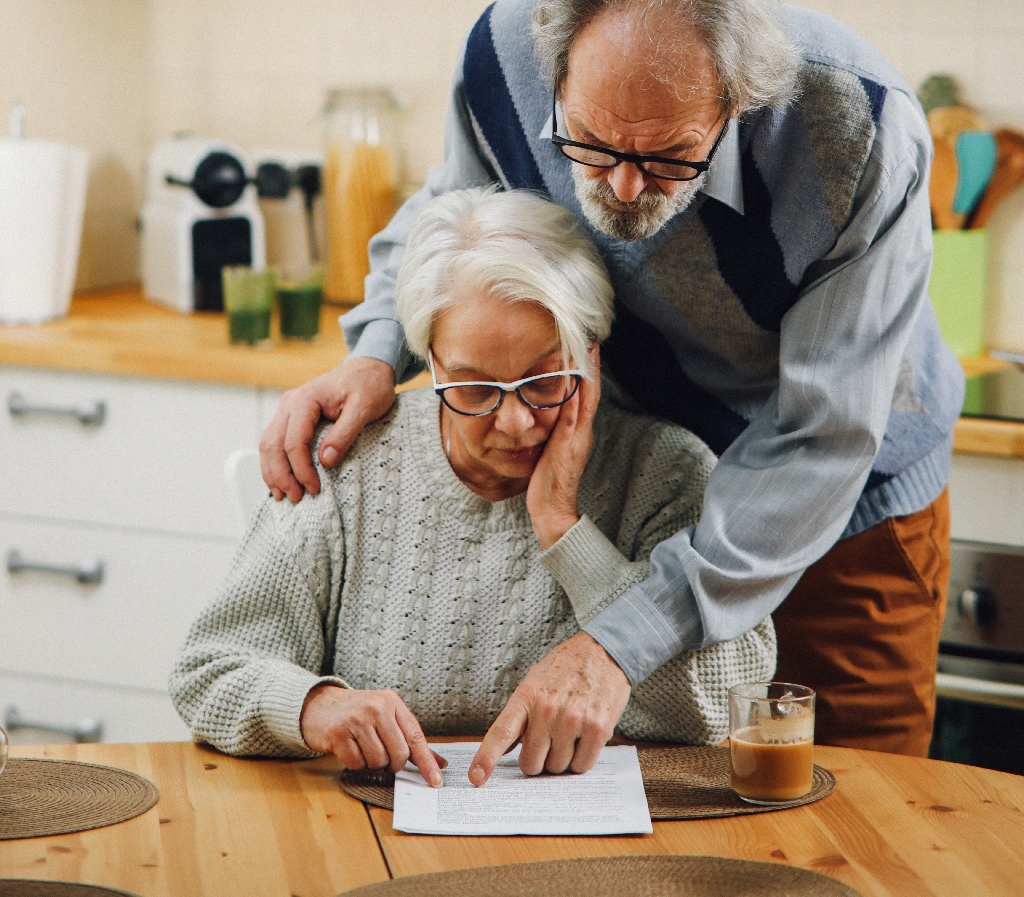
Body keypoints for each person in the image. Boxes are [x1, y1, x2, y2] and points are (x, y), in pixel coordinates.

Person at [260, 0, 963, 760]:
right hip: (644, 480)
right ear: (553, 73)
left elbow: (824, 433)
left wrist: (622, 640)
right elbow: (455, 212)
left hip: (850, 504)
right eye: (589, 147)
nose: (624, 189)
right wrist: (378, 354)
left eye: (669, 156)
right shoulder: (500, 62)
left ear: (738, 103)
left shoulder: (860, 131)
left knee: (859, 812)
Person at [170, 188, 775, 782]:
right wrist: (312, 707)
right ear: (428, 361)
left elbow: (727, 700)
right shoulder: (349, 466)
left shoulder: (665, 471)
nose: (514, 422)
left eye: (544, 380)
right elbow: (210, 669)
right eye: (474, 388)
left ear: (591, 357)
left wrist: (564, 529)